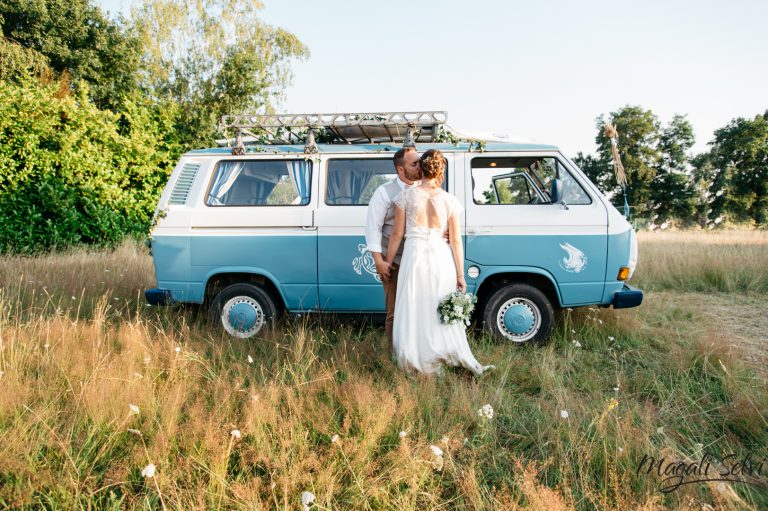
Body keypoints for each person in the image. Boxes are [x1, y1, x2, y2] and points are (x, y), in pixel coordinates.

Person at [385, 149, 493, 376]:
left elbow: (396, 234)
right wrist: (461, 275)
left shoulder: (406, 196)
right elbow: (455, 240)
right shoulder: (449, 201)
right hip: (440, 257)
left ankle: (415, 356)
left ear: (421, 168)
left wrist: (387, 261)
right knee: (436, 304)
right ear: (440, 171)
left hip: (414, 255)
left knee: (414, 305)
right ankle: (442, 352)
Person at [364, 147, 422, 353]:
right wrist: (379, 261)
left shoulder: (426, 190)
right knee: (394, 310)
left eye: (420, 161)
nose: (419, 166)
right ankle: (393, 353)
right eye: (414, 164)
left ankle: (415, 351)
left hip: (419, 260)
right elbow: (373, 228)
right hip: (394, 261)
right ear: (400, 169)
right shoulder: (384, 193)